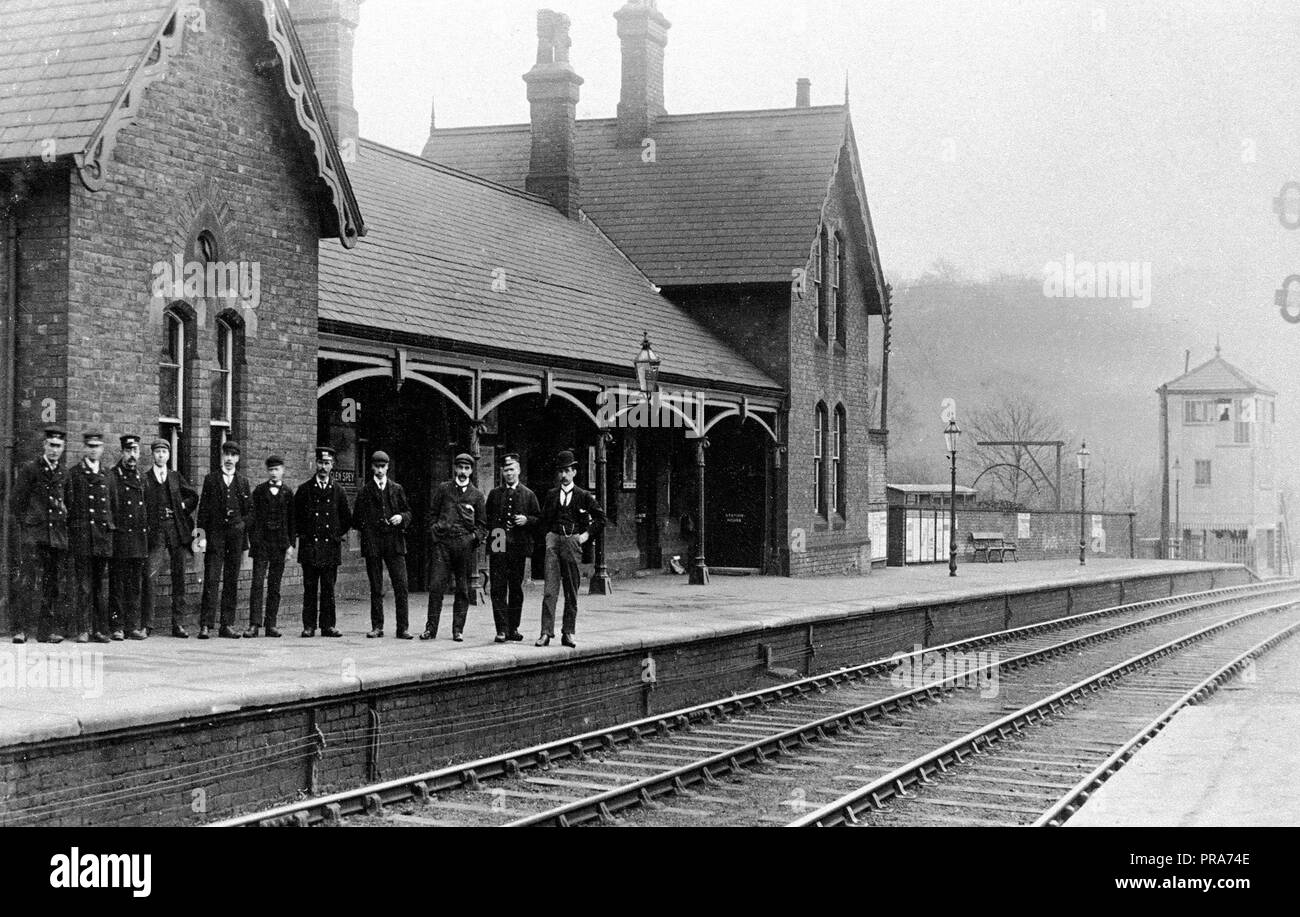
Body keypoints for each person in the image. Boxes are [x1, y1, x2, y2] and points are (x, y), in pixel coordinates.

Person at [536, 449, 605, 649]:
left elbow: (601, 519)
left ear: (574, 472)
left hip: (573, 543)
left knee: (571, 591)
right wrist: (549, 536)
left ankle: (568, 632)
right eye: (561, 472)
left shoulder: (584, 496)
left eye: (567, 471)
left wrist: (584, 536)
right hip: (554, 543)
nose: (564, 475)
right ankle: (545, 633)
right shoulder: (551, 495)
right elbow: (543, 520)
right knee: (550, 590)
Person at [9, 427, 70, 644]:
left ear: (63, 448)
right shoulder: (31, 469)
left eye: (58, 446)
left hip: (55, 537)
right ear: (44, 445)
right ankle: (20, 629)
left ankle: (45, 632)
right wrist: (29, 524)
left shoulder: (64, 473)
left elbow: (67, 503)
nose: (54, 450)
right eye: (51, 445)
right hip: (34, 536)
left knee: (51, 585)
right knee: (27, 581)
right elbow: (16, 502)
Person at [422, 453, 485, 642]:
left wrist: (473, 539)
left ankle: (458, 630)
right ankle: (430, 629)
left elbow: (483, 526)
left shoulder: (477, 495)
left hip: (464, 546)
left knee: (463, 589)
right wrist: (435, 533)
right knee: (436, 587)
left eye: (467, 468)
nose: (463, 472)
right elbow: (432, 514)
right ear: (455, 469)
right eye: (460, 468)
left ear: (471, 471)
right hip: (443, 545)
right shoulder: (444, 489)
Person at [352, 451, 413, 639]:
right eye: (376, 467)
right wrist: (369, 527)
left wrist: (400, 518)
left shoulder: (397, 489)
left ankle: (402, 628)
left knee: (401, 585)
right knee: (376, 586)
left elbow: (409, 513)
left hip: (394, 543)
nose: (379, 470)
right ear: (372, 467)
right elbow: (356, 520)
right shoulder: (364, 491)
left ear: (388, 467)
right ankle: (377, 626)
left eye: (383, 467)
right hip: (373, 544)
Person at [195, 440, 252, 639]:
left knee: (231, 581)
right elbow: (202, 512)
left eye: (233, 455)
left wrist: (241, 526)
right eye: (226, 454)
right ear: (222, 456)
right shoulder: (211, 479)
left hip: (235, 540)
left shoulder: (243, 482)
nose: (229, 459)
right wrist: (199, 540)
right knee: (211, 579)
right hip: (214, 537)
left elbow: (249, 513)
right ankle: (205, 625)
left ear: (238, 458)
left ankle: (226, 624)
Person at [141, 439, 198, 638]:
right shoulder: (145, 478)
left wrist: (181, 507)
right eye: (157, 452)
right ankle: (147, 624)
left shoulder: (175, 477)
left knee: (179, 576)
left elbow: (193, 496)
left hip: (176, 530)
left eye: (164, 452)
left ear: (169, 455)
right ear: (152, 455)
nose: (161, 455)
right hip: (155, 532)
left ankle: (178, 624)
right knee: (150, 575)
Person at [294, 445, 351, 638]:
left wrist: (335, 535)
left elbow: (346, 519)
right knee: (310, 588)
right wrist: (304, 535)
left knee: (328, 588)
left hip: (329, 548)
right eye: (320, 462)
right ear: (315, 463)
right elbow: (296, 518)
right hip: (310, 547)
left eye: (327, 463)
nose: (323, 467)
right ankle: (309, 625)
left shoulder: (339, 491)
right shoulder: (304, 490)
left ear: (332, 465)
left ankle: (328, 626)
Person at [64, 432, 114, 643]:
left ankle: (100, 629)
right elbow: (68, 504)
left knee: (99, 586)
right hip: (83, 537)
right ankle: (83, 629)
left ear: (102, 449)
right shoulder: (74, 474)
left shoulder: (107, 475)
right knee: (83, 586)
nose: (94, 450)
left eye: (97, 446)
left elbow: (114, 506)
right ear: (84, 448)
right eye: (90, 446)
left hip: (101, 538)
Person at [485, 453, 540, 643]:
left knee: (516, 588)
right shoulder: (494, 494)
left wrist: (527, 520)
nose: (509, 473)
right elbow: (487, 518)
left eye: (512, 469)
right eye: (506, 470)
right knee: (498, 587)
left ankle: (513, 627)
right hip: (498, 541)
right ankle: (501, 629)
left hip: (518, 545)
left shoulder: (528, 494)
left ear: (519, 470)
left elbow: (538, 520)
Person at [245, 455, 295, 638]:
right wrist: (254, 540)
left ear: (283, 471)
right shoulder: (259, 491)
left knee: (275, 585)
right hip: (262, 543)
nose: (274, 473)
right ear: (267, 472)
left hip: (280, 544)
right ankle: (254, 624)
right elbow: (252, 517)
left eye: (277, 469)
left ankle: (271, 624)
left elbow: (292, 521)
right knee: (257, 583)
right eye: (271, 470)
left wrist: (290, 545)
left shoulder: (288, 493)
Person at [108, 434, 150, 640]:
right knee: (117, 585)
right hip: (121, 538)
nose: (132, 455)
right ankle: (116, 626)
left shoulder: (142, 478)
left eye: (135, 451)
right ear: (122, 452)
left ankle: (132, 626)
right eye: (128, 451)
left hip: (138, 540)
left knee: (135, 585)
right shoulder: (113, 476)